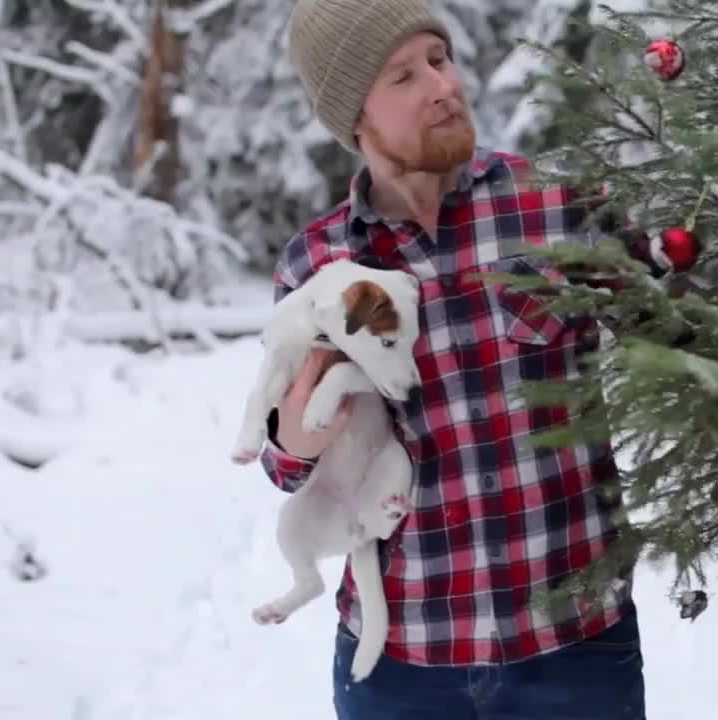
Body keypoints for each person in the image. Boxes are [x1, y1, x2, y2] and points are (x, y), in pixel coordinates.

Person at [260, 1, 660, 718]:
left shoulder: (556, 208)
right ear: (357, 116)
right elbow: (287, 467)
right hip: (402, 665)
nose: (441, 86)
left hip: (575, 651)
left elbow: (690, 326)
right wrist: (293, 435)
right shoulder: (319, 264)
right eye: (404, 76)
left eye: (440, 60)